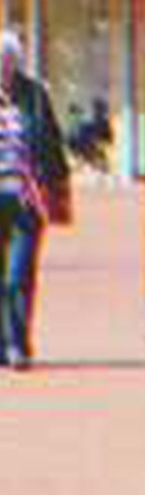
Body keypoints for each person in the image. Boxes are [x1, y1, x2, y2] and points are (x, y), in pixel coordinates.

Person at [0, 31, 67, 372]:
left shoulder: (35, 96)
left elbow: (52, 142)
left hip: (27, 197)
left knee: (18, 273)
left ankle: (19, 343)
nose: (3, 70)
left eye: (7, 62)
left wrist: (55, 184)